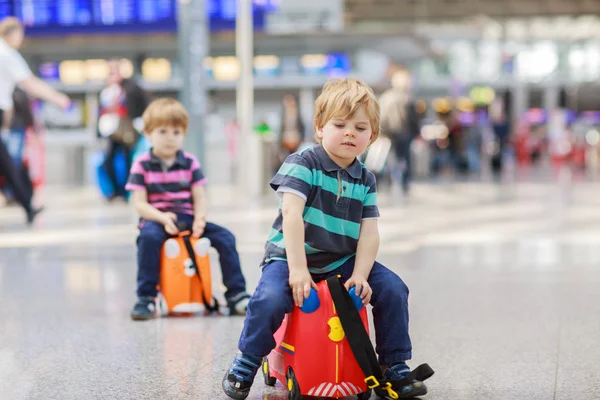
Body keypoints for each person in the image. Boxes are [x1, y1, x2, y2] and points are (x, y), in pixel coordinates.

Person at [223, 78, 428, 399]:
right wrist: (298, 269)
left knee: (392, 287)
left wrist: (361, 273)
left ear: (372, 137)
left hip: (341, 260)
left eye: (360, 128)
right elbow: (291, 216)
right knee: (272, 297)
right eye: (340, 124)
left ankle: (394, 364)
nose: (350, 132)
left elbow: (370, 231)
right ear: (319, 128)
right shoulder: (303, 163)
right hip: (290, 256)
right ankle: (248, 357)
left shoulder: (366, 178)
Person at [125, 98, 250, 320]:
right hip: (157, 218)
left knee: (225, 237)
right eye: (162, 131)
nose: (170, 138)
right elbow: (140, 203)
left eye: (176, 132)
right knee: (148, 239)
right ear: (147, 134)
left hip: (188, 217)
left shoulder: (190, 162)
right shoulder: (142, 164)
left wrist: (200, 218)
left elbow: (200, 196)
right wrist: (161, 217)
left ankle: (236, 294)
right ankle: (146, 298)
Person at [0, 17, 70, 223]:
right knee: (7, 163)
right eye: (20, 35)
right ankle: (28, 205)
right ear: (11, 34)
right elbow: (29, 82)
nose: (21, 40)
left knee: (7, 163)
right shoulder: (6, 53)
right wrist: (57, 97)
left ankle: (28, 205)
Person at [99, 59, 150, 200]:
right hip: (111, 130)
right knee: (108, 160)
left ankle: (129, 190)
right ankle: (115, 191)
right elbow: (101, 111)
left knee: (129, 159)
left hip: (128, 130)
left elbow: (142, 105)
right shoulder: (106, 91)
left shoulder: (131, 88)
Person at [379, 73, 420, 193]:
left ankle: (389, 180)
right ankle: (404, 182)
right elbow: (413, 119)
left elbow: (382, 117)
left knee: (391, 157)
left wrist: (382, 132)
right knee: (405, 158)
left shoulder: (386, 97)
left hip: (390, 133)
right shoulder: (408, 98)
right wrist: (416, 133)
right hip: (405, 134)